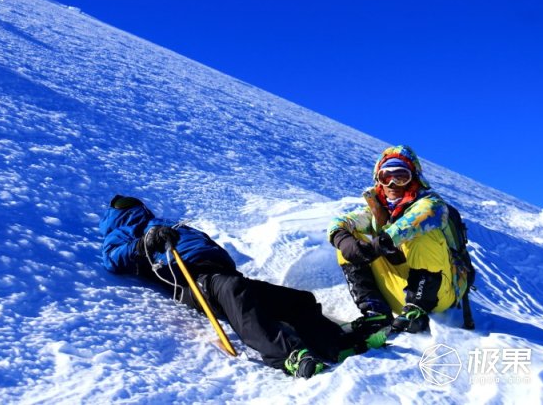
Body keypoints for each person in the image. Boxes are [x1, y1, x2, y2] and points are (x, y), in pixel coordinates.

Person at [99, 195, 385, 379]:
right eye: (124, 205)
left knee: (296, 300)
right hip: (193, 279)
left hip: (223, 275)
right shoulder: (125, 230)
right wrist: (144, 242)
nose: (130, 206)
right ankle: (289, 355)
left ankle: (334, 343)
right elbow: (112, 258)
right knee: (236, 292)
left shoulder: (162, 222)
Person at [328, 145, 455, 334]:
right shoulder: (378, 212)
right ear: (378, 180)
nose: (393, 183)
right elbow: (341, 222)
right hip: (398, 292)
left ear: (414, 179)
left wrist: (383, 242)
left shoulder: (432, 205)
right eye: (386, 177)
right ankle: (375, 310)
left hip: (437, 294)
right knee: (348, 240)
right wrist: (343, 241)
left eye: (401, 176)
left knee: (423, 232)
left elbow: (420, 217)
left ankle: (417, 310)